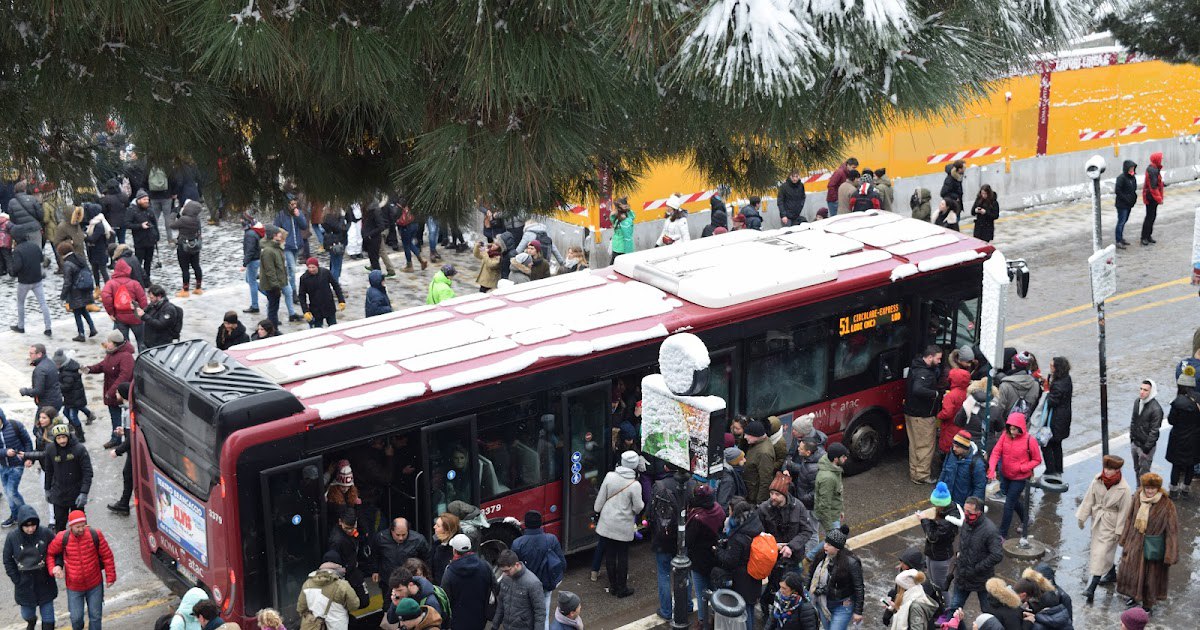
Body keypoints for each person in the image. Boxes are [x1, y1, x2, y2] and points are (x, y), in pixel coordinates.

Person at [756, 471, 817, 618]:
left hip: (794, 558)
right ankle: (769, 608)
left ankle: (791, 616)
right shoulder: (764, 508)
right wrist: (773, 545)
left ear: (785, 495)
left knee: (793, 590)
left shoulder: (799, 507)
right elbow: (759, 533)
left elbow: (806, 531)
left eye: (777, 494)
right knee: (775, 586)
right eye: (771, 493)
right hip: (773, 559)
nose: (773, 498)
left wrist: (791, 546)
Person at [1116, 472, 1178, 615]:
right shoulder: (1137, 497)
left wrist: (1170, 553)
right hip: (1136, 541)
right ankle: (1134, 595)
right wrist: (1125, 539)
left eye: (1153, 488)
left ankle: (1148, 603)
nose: (1150, 491)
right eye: (1147, 488)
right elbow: (1130, 519)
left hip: (1154, 545)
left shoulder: (1167, 504)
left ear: (1158, 488)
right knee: (1133, 571)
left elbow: (1172, 530)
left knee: (1151, 575)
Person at [46, 510, 116, 630]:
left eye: (83, 526)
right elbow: (50, 553)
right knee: (76, 618)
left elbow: (107, 556)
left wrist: (111, 577)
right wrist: (53, 568)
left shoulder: (95, 535)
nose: (81, 529)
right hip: (74, 588)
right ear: (71, 526)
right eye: (78, 527)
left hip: (95, 584)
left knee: (95, 617)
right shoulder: (62, 538)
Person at [593, 450, 643, 598]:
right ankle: (622, 588)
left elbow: (600, 499)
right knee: (622, 556)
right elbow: (638, 506)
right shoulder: (635, 485)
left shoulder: (610, 476)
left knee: (609, 554)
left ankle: (613, 585)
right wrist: (632, 511)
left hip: (607, 522)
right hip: (623, 525)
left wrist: (597, 510)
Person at [986, 413, 1041, 538]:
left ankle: (1002, 534)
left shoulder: (1029, 440)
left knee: (1009, 504)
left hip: (1020, 478)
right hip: (1005, 475)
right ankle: (1026, 519)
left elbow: (1037, 460)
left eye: (1015, 429)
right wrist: (992, 468)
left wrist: (1022, 468)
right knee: (1012, 498)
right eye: (1010, 428)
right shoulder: (1005, 436)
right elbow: (996, 452)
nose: (1012, 431)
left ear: (1021, 427)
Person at [4, 505, 58, 630]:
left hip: (45, 582)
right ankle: (31, 621)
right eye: (27, 526)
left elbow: (57, 551)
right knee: (27, 614)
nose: (30, 529)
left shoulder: (46, 533)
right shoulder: (12, 537)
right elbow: (7, 559)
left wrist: (56, 567)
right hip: (24, 585)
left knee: (49, 619)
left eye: (33, 525)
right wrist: (16, 579)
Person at [947, 496, 1003, 614]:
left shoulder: (990, 530)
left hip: (981, 579)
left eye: (969, 512)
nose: (965, 514)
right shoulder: (966, 523)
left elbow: (997, 555)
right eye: (965, 510)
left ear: (979, 512)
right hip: (963, 576)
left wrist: (977, 568)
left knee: (987, 611)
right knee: (954, 608)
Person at [716, 499, 765, 630]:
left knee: (743, 613)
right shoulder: (755, 526)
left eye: (730, 511)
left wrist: (718, 550)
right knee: (749, 609)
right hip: (753, 577)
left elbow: (730, 560)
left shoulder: (738, 537)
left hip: (741, 579)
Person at [511, 510, 565, 628]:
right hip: (546, 585)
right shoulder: (551, 539)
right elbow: (562, 563)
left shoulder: (517, 543)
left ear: (525, 524)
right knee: (543, 615)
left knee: (526, 616)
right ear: (540, 523)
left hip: (525, 588)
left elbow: (513, 569)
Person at [806, 525, 863, 630]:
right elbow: (811, 574)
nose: (824, 546)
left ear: (837, 548)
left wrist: (858, 612)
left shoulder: (851, 562)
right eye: (825, 542)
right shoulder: (821, 556)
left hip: (842, 606)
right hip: (823, 603)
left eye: (828, 544)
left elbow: (859, 587)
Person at [86, 330, 135, 450]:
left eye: (109, 342)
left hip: (120, 394)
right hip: (111, 392)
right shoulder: (111, 353)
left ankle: (125, 441)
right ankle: (116, 438)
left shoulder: (126, 357)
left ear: (116, 343)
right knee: (115, 417)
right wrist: (89, 369)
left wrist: (112, 391)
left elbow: (124, 376)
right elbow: (103, 365)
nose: (107, 343)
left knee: (124, 418)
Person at [683, 485, 724, 623]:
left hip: (699, 561)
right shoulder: (718, 509)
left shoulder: (697, 519)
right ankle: (717, 620)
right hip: (717, 557)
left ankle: (703, 622)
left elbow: (688, 540)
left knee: (702, 594)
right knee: (716, 591)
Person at [440, 533, 494, 630]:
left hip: (458, 619)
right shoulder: (485, 566)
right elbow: (495, 587)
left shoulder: (450, 571)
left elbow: (445, 597)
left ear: (455, 550)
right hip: (480, 617)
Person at [905, 345, 942, 484]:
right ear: (930, 357)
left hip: (911, 413)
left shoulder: (915, 366)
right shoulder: (925, 373)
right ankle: (922, 475)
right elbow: (918, 389)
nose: (939, 361)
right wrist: (935, 394)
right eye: (938, 358)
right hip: (923, 416)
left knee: (914, 445)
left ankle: (915, 472)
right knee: (925, 446)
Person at [298, 552, 359, 630]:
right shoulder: (342, 585)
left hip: (314, 627)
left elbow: (301, 608)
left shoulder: (307, 584)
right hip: (337, 626)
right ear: (338, 566)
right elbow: (354, 605)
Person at [1165, 367, 1200, 498]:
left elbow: (1171, 420)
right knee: (1190, 465)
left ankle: (1173, 491)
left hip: (1179, 439)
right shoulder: (1198, 399)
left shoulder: (1178, 402)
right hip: (1195, 439)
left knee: (1177, 465)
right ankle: (1186, 490)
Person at [10, 230, 52, 336]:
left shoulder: (17, 250)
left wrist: (12, 272)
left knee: (20, 303)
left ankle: (21, 326)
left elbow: (17, 267)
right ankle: (48, 328)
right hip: (37, 280)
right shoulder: (34, 246)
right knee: (43, 303)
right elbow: (42, 260)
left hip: (24, 281)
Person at [101, 258, 148, 348]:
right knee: (142, 342)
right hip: (136, 317)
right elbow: (143, 300)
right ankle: (142, 360)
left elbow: (106, 297)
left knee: (122, 345)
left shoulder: (110, 284)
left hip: (120, 318)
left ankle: (126, 360)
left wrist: (111, 313)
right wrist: (143, 313)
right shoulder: (134, 284)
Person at [493, 549, 545, 630]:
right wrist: (495, 625)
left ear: (516, 565)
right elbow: (501, 604)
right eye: (503, 571)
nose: (505, 574)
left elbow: (540, 612)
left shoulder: (533, 583)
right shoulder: (506, 578)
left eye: (507, 570)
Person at [274, 198, 309, 315]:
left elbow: (304, 226)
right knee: (292, 269)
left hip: (296, 245)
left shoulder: (297, 213)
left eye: (295, 203)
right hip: (287, 247)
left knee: (290, 270)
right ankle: (293, 292)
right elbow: (276, 228)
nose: (294, 206)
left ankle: (289, 289)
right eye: (291, 204)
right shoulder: (281, 215)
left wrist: (299, 216)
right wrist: (281, 242)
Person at [1040, 356, 1073, 478]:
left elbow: (1052, 401)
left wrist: (1046, 390)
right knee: (1057, 444)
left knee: (1046, 443)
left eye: (1052, 366)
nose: (1050, 368)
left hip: (1056, 420)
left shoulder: (1059, 385)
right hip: (1063, 418)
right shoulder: (1066, 379)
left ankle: (1051, 470)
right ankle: (1058, 469)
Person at [1, 409, 34, 527]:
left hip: (17, 464)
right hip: (2, 466)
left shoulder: (15, 425)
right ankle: (14, 516)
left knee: (12, 492)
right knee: (7, 492)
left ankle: (26, 516)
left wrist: (28, 457)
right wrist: (5, 452)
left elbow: (27, 442)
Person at [59, 243, 99, 342]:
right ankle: (92, 328)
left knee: (77, 312)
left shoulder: (67, 264)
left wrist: (63, 296)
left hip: (76, 291)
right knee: (83, 310)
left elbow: (67, 282)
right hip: (85, 288)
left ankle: (81, 334)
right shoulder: (79, 258)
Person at [938, 431, 987, 508]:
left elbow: (979, 487)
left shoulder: (977, 464)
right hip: (947, 500)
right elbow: (944, 471)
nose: (954, 448)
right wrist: (939, 487)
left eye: (957, 447)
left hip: (962, 505)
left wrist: (972, 506)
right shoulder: (951, 453)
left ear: (965, 448)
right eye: (953, 445)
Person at [54, 348, 92, 443]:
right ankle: (79, 423)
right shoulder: (67, 367)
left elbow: (66, 387)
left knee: (73, 416)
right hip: (72, 398)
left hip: (74, 398)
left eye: (57, 364)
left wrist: (56, 384)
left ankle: (80, 435)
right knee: (67, 413)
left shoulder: (67, 373)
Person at [107, 382, 134, 514]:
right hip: (132, 451)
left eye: (117, 392)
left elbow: (132, 438)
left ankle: (124, 504)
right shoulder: (128, 409)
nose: (116, 394)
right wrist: (124, 431)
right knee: (128, 474)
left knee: (128, 475)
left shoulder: (129, 412)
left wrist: (117, 451)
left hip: (132, 452)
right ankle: (124, 502)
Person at [936, 368, 971, 472]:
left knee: (948, 452)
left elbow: (947, 412)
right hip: (963, 427)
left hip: (950, 427)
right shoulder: (968, 393)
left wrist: (939, 415)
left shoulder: (951, 395)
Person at [169, 199, 204, 296]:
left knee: (185, 269)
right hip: (195, 245)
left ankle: (185, 290)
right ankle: (198, 288)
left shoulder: (183, 219)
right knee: (196, 266)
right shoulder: (197, 219)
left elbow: (172, 225)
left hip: (183, 246)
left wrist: (173, 215)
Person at [298, 257, 346, 328]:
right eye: (309, 267)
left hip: (329, 306)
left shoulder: (325, 272)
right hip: (315, 309)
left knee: (334, 328)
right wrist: (305, 311)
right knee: (317, 330)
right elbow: (302, 296)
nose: (311, 269)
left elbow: (336, 286)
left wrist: (341, 300)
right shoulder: (304, 278)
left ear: (317, 266)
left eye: (313, 267)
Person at [1129, 379, 1162, 481]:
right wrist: (1132, 438)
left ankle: (1143, 493)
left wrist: (1146, 448)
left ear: (1151, 391)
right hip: (1135, 443)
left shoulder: (1156, 409)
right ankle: (1138, 489)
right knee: (1136, 469)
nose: (1142, 392)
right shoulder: (1137, 402)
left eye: (1145, 390)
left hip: (1145, 447)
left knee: (1144, 473)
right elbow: (1133, 420)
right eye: (1141, 389)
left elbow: (1154, 431)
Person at [258, 226, 291, 326]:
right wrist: (276, 286)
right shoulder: (269, 251)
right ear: (274, 236)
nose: (281, 235)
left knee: (274, 307)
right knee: (272, 308)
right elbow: (270, 271)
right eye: (278, 233)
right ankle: (272, 328)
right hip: (272, 285)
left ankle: (273, 324)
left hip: (277, 283)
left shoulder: (275, 247)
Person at [814, 442, 848, 537]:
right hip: (830, 517)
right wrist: (830, 528)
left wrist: (840, 510)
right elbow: (824, 505)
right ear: (836, 459)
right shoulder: (828, 478)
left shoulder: (835, 468)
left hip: (834, 514)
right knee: (835, 540)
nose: (846, 459)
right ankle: (812, 553)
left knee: (833, 541)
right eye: (843, 457)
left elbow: (836, 495)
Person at [20, 344, 63, 415]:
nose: (29, 356)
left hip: (46, 405)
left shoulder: (40, 370)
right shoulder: (51, 362)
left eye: (31, 353)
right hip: (56, 400)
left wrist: (26, 391)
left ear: (39, 354)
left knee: (39, 425)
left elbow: (38, 391)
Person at [137, 284, 184, 348]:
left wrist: (144, 316)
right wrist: (136, 308)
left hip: (161, 344)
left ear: (159, 296)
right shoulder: (153, 305)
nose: (150, 299)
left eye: (152, 297)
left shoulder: (168, 309)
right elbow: (143, 314)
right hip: (150, 342)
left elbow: (160, 324)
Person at [741, 419, 775, 504]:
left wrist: (760, 502)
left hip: (754, 497)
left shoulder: (764, 453)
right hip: (750, 491)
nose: (745, 437)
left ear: (756, 435)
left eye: (748, 435)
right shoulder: (756, 443)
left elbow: (766, 480)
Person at [129, 190, 158, 284]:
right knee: (138, 262)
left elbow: (154, 222)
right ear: (139, 200)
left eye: (147, 199)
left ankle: (147, 280)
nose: (146, 201)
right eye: (144, 199)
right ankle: (138, 280)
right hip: (140, 241)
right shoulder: (132, 210)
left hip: (150, 239)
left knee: (148, 262)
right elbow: (127, 224)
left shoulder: (150, 209)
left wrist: (157, 234)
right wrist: (140, 226)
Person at [430, 512, 461, 585]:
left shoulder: (456, 548)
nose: (434, 527)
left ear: (446, 530)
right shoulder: (437, 544)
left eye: (438, 526)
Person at [1140, 151, 1163, 246]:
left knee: (1151, 217)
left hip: (1151, 197)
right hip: (1151, 198)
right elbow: (1153, 187)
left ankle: (1148, 236)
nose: (1161, 160)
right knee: (1150, 217)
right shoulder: (1153, 170)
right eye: (1160, 158)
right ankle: (1144, 237)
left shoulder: (1154, 169)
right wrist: (1159, 199)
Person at [1114, 159, 1137, 249]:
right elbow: (1118, 191)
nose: (1132, 169)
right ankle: (1118, 240)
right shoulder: (1121, 178)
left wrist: (1133, 199)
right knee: (1121, 222)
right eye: (1131, 168)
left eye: (1133, 168)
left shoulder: (1132, 178)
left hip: (1128, 204)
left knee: (1124, 221)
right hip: (1122, 205)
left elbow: (1133, 190)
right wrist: (1126, 199)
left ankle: (1121, 238)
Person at [241, 221, 264, 314]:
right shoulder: (254, 232)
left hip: (252, 261)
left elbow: (250, 250)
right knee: (249, 280)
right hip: (256, 259)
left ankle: (255, 306)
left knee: (252, 282)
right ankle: (268, 294)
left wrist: (244, 264)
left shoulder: (250, 234)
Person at [322, 207, 348, 281]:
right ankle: (335, 283)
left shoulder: (326, 216)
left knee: (334, 263)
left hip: (332, 241)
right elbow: (338, 228)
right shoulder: (330, 218)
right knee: (336, 265)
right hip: (336, 242)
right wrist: (342, 218)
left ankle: (333, 281)